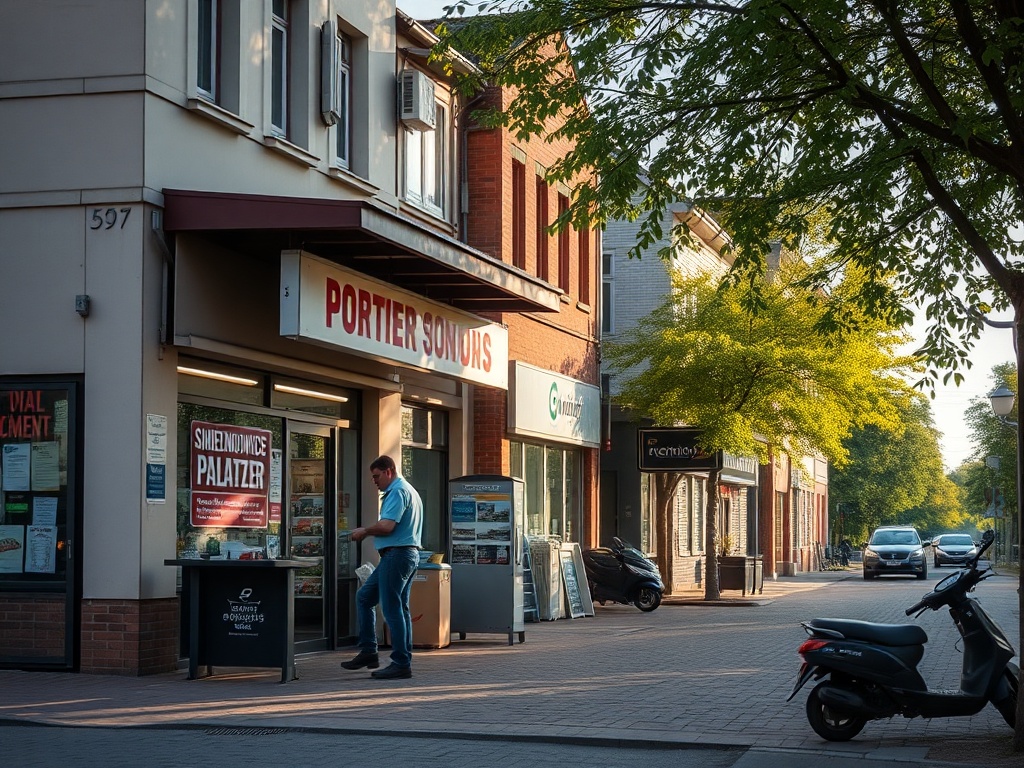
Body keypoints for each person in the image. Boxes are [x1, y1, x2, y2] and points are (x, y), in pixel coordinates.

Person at [340, 455, 423, 680]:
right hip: (404, 554)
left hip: (397, 555)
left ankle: (400, 662)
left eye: (377, 476)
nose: (374, 481)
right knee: (367, 598)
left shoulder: (397, 491)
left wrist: (364, 531)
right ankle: (369, 651)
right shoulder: (410, 491)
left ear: (389, 471)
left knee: (392, 608)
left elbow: (387, 526)